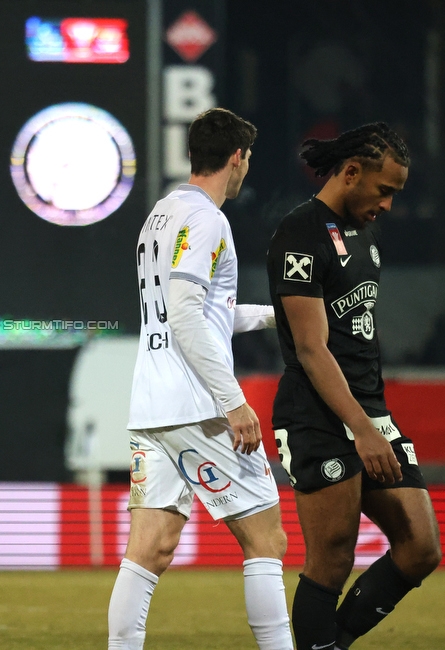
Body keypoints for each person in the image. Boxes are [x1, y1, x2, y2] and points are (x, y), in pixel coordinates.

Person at [111, 109, 292, 650]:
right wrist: (233, 401)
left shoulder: (161, 216)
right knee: (267, 539)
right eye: (248, 161)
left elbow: (195, 311)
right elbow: (187, 315)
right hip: (197, 407)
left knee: (151, 548)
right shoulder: (210, 221)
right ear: (236, 158)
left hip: (151, 407)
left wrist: (272, 314)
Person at [265, 123, 442, 650]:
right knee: (333, 555)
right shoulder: (299, 233)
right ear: (350, 172)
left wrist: (372, 420)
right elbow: (312, 349)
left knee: (420, 548)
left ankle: (330, 645)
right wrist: (362, 430)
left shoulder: (365, 236)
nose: (388, 204)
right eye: (384, 190)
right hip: (317, 415)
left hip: (369, 411)